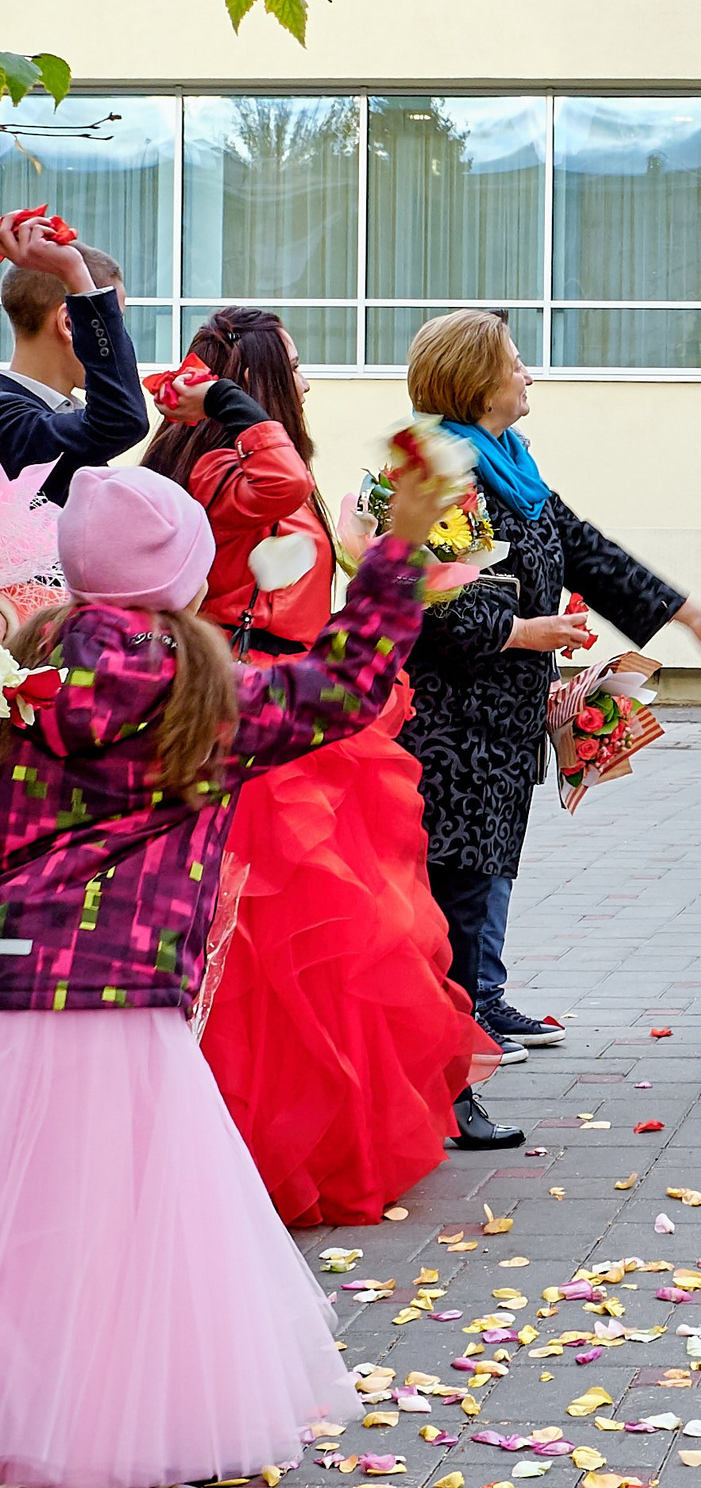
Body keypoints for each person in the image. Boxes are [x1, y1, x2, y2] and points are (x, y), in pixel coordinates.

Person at [0, 458, 453, 1488]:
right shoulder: (198, 694)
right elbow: (342, 689)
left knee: (19, 1223)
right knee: (119, 1229)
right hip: (117, 996)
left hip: (10, 978)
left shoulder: (22, 678)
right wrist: (392, 561)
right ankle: (101, 1424)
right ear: (184, 582)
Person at [144, 308, 513, 1221]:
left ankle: (325, 1124)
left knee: (341, 942)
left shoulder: (261, 474)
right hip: (263, 713)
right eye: (295, 370)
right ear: (259, 384)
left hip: (304, 705)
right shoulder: (233, 467)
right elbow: (277, 478)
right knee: (283, 952)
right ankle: (261, 1141)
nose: (307, 385)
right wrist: (230, 403)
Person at [397, 310, 701, 1057]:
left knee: (491, 860)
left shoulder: (510, 461)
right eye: (515, 362)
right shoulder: (442, 471)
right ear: (477, 381)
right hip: (453, 719)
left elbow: (584, 549)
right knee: (459, 868)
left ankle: (483, 995)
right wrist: (526, 633)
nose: (527, 374)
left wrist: (687, 614)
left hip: (505, 715)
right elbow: (438, 604)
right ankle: (456, 1020)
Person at [0, 220, 155, 507]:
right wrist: (74, 275)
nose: (119, 341)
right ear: (69, 324)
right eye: (113, 322)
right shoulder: (8, 419)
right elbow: (122, 420)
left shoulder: (59, 413)